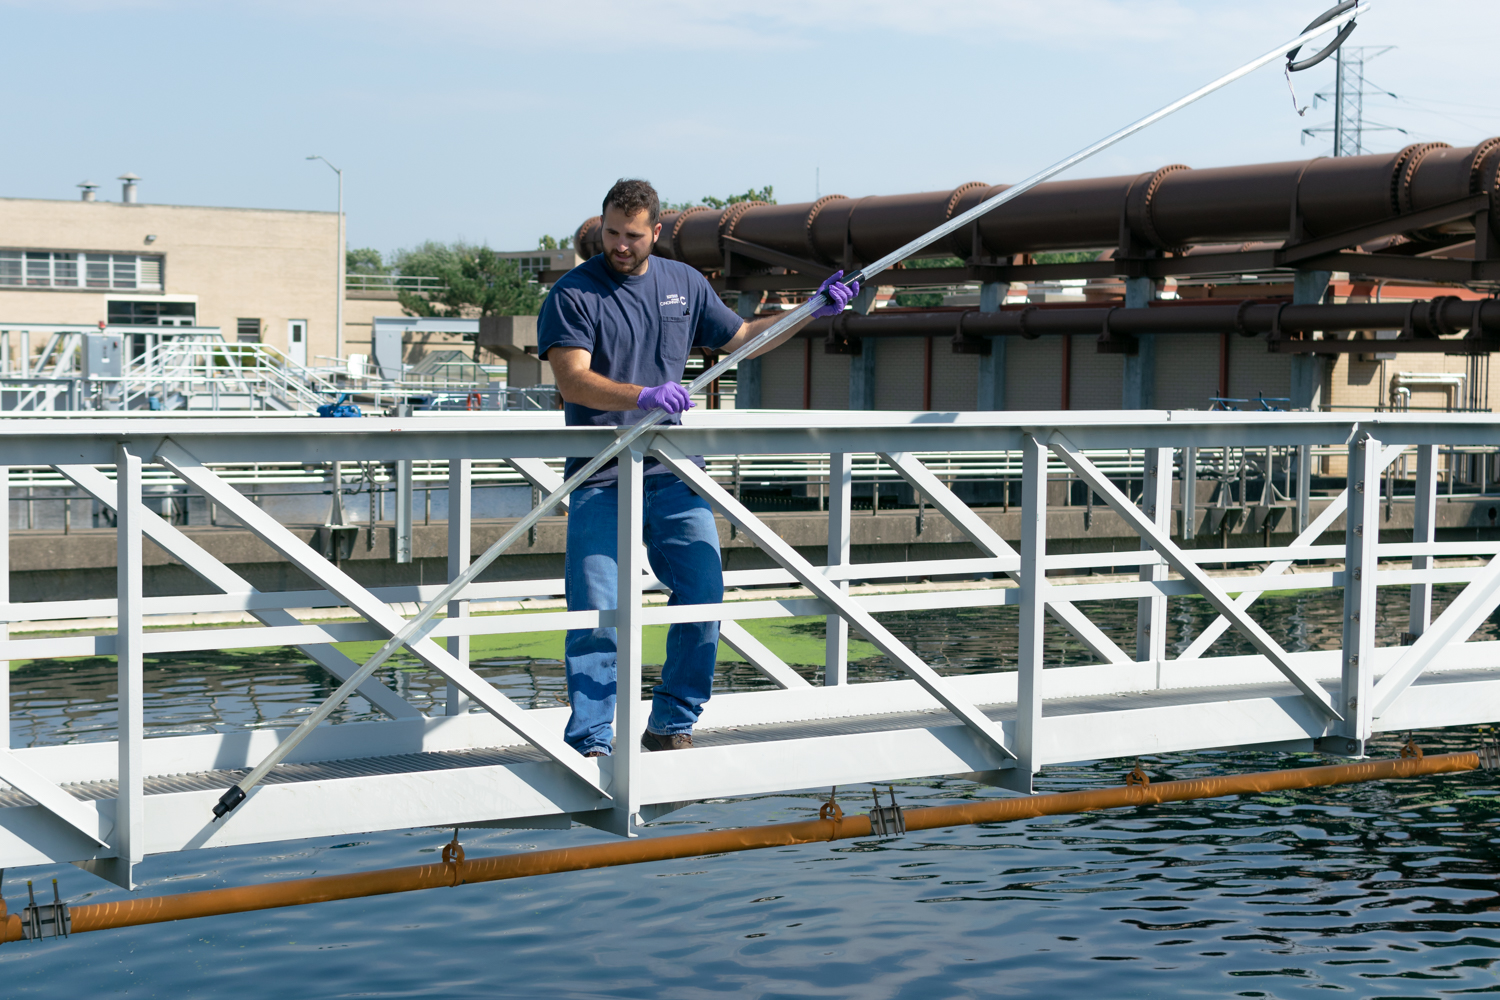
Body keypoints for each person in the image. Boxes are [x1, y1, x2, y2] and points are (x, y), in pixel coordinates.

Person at [537, 178, 858, 757]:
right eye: (610, 232)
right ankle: (590, 741)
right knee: (596, 610)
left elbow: (740, 340)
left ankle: (670, 723)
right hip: (601, 472)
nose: (619, 245)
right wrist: (643, 395)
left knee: (704, 594)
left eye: (632, 236)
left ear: (655, 233)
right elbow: (572, 379)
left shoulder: (683, 283)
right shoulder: (573, 293)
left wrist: (811, 308)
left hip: (673, 471)